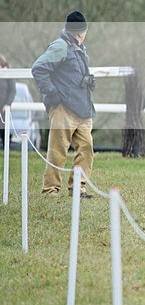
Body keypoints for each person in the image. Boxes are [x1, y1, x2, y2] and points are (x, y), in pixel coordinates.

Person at [31, 11, 95, 198]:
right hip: (63, 108)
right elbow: (39, 69)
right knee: (58, 151)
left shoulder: (80, 48)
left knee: (86, 148)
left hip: (82, 108)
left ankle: (78, 188)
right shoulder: (61, 46)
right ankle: (51, 190)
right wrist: (53, 93)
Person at [0, 54, 15, 144]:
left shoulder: (8, 74)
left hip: (3, 108)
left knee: (4, 131)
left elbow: (12, 91)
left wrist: (8, 104)